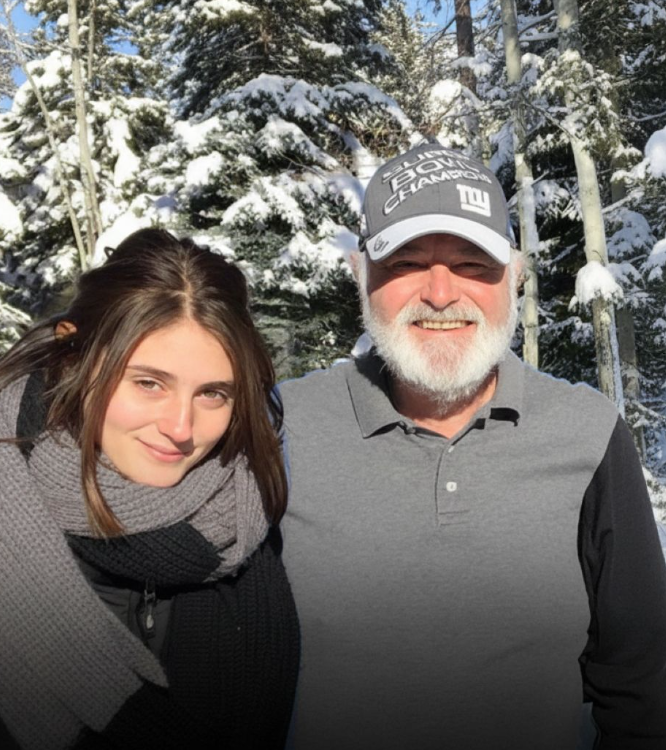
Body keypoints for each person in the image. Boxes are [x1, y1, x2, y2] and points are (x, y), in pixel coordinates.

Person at [278, 143, 666, 749]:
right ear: (361, 274)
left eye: (471, 263)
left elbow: (643, 684)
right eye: (407, 261)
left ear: (514, 277)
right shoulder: (281, 428)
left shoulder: (587, 435)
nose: (440, 293)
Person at [0, 229, 299, 750]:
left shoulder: (255, 521)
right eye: (148, 383)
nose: (181, 427)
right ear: (74, 360)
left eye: (213, 393)